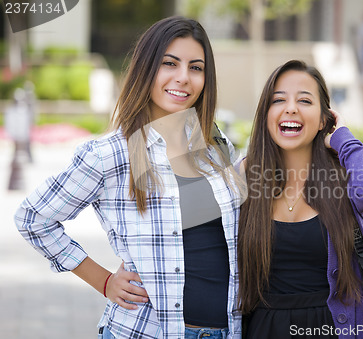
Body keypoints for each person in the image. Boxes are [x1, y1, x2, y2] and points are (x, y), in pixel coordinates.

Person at [14, 16, 246, 339]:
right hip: (146, 332)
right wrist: (104, 281)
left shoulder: (216, 149)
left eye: (196, 68)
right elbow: (33, 217)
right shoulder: (112, 153)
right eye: (170, 63)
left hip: (227, 332)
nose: (183, 78)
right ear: (146, 68)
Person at [237, 60, 363, 338]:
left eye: (305, 100)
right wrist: (130, 267)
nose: (291, 108)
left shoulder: (342, 176)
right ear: (266, 113)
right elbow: (185, 222)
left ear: (324, 119)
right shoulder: (246, 174)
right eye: (279, 100)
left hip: (334, 327)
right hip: (264, 328)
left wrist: (342, 138)